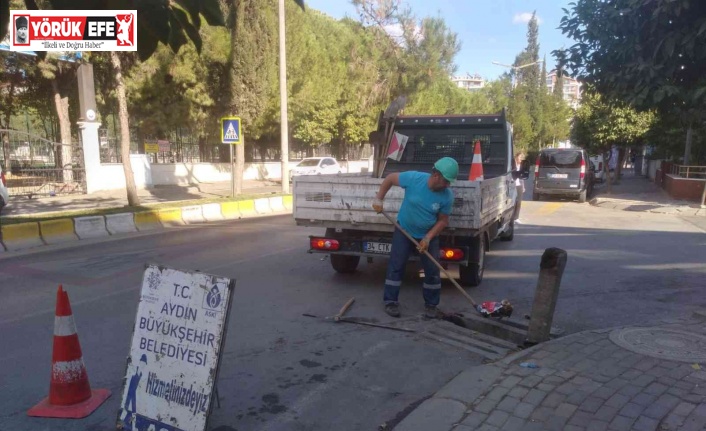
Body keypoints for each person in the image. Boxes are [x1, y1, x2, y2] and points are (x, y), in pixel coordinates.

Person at [372, 157, 458, 319]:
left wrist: (427, 238)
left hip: (428, 235)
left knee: (432, 271)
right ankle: (390, 302)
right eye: (446, 181)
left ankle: (431, 305)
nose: (448, 185)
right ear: (436, 175)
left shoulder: (446, 196)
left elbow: (443, 221)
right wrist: (379, 198)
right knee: (396, 266)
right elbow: (390, 178)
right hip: (404, 230)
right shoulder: (414, 179)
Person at [513, 153, 525, 224]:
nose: (521, 158)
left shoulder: (521, 166)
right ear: (516, 157)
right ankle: (511, 217)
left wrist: (523, 186)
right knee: (513, 202)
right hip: (512, 185)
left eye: (522, 157)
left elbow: (522, 177)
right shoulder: (512, 165)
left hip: (519, 185)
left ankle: (516, 218)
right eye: (520, 157)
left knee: (519, 202)